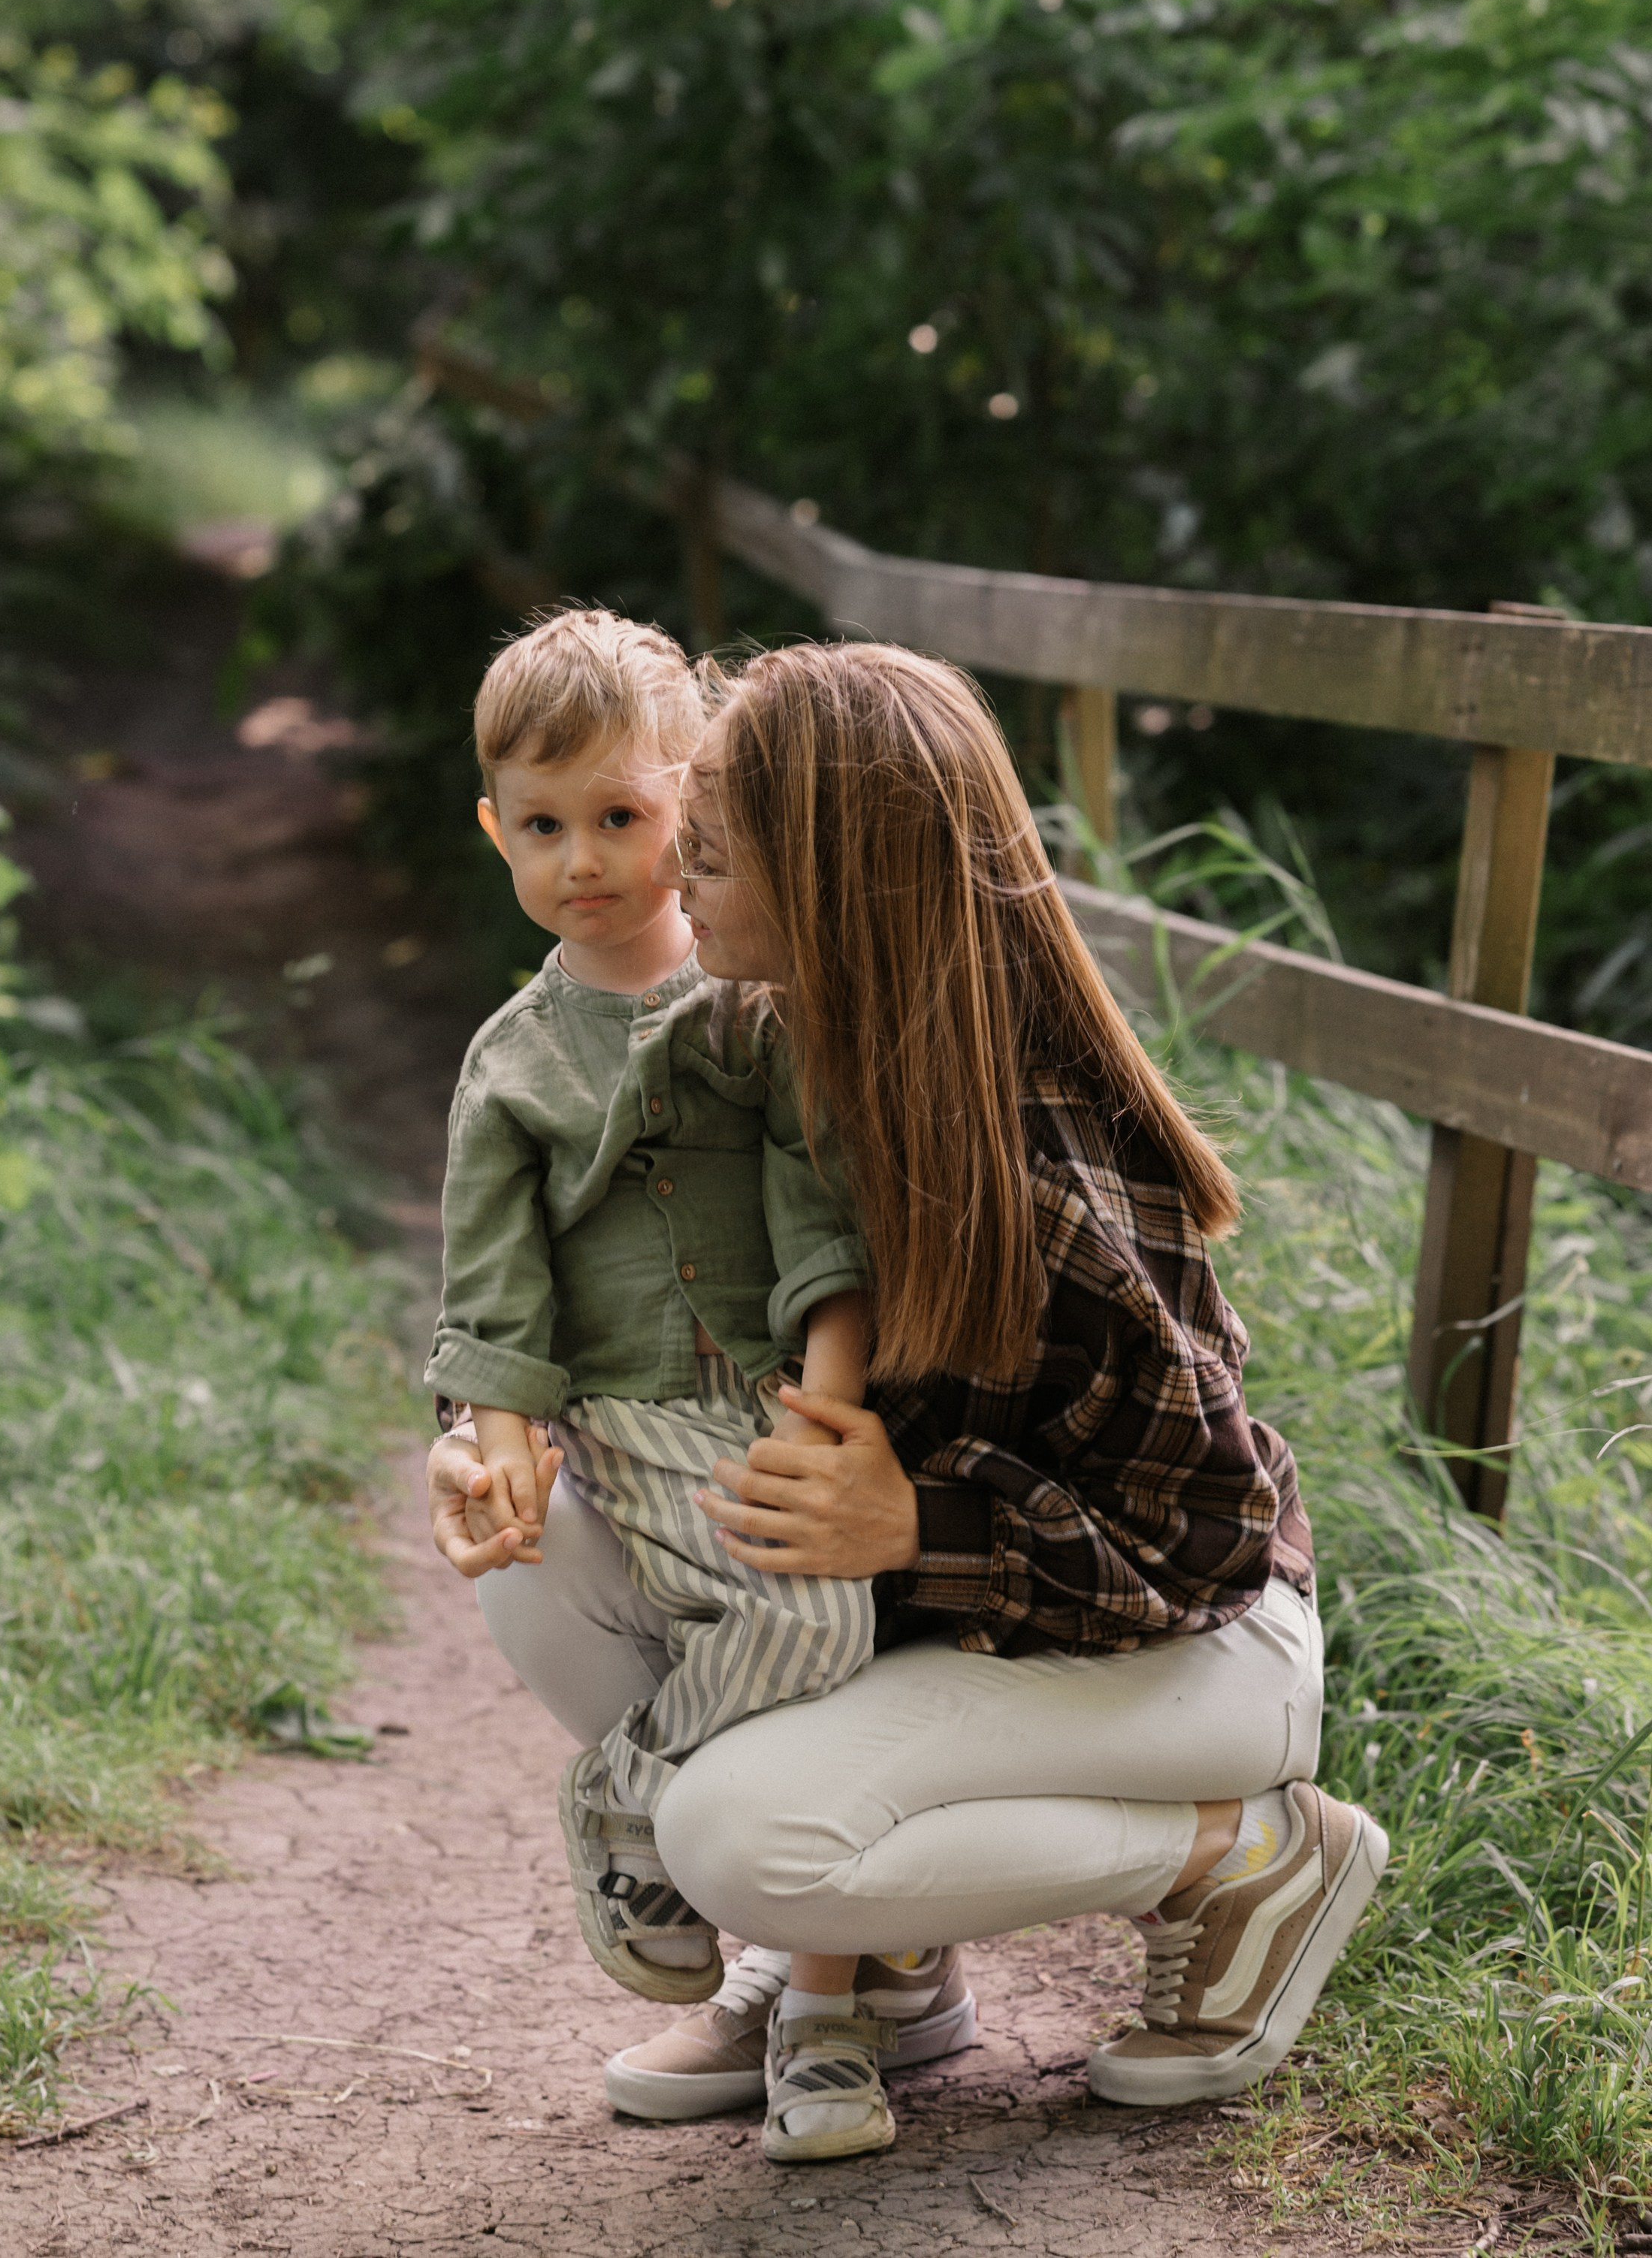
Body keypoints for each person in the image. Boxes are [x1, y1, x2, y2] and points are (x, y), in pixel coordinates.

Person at [429, 638, 1385, 2165]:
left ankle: (1244, 1852)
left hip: (1192, 1652)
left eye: (708, 853)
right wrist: (495, 1441)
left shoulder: (1028, 1154)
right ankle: (877, 1964)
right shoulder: (769, 1061)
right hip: (979, 1621)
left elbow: (1207, 1539)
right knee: (542, 1551)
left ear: (831, 883)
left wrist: (919, 1527)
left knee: (734, 1833)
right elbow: (592, 1289)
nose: (670, 875)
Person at [427, 609, 905, 2019]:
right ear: (495, 831)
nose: (581, 861)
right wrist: (498, 1438)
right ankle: (651, 1804)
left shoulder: (760, 1005)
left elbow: (824, 1221)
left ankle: (675, 1823)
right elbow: (494, 1279)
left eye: (620, 818)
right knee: (808, 1630)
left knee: (826, 1624)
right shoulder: (512, 1065)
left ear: (689, 810)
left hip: (767, 1394)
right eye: (542, 828)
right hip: (628, 1405)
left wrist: (825, 1412)